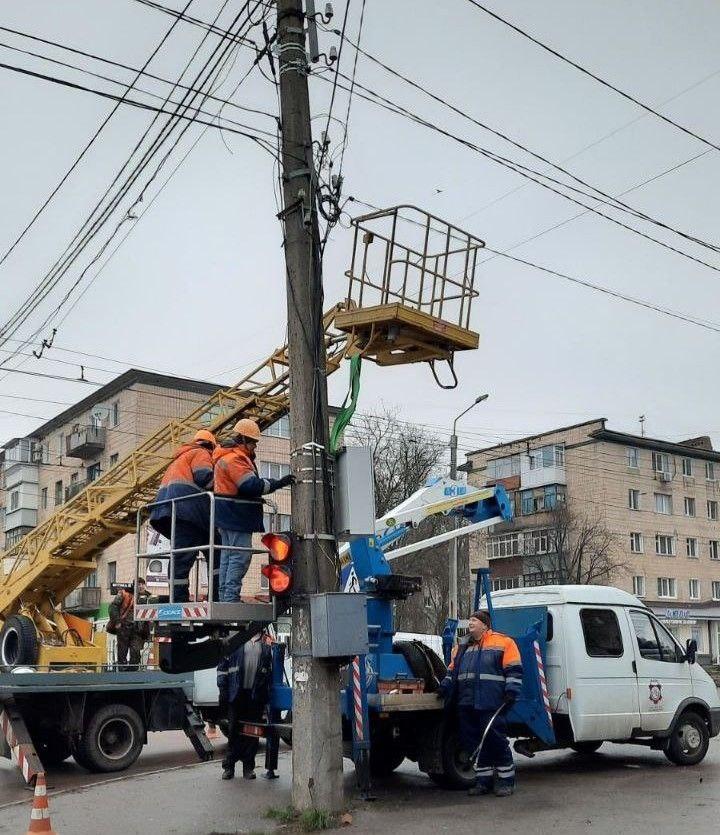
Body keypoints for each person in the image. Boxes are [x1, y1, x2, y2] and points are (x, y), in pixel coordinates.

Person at [439, 610, 523, 797]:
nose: (470, 623)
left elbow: (514, 670)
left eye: (474, 620)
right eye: (470, 620)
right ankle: (483, 782)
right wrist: (444, 685)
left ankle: (506, 781)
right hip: (466, 702)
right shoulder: (462, 646)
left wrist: (511, 691)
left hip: (491, 701)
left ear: (485, 625)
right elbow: (452, 670)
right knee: (474, 742)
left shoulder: (503, 642)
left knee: (495, 740)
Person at [213, 419, 294, 602]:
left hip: (227, 516)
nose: (254, 447)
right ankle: (230, 598)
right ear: (243, 439)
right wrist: (278, 483)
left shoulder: (225, 457)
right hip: (236, 517)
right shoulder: (235, 458)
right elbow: (250, 486)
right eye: (253, 443)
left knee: (228, 557)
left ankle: (226, 597)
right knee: (239, 557)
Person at [149, 429, 217, 603]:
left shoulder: (180, 458)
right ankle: (201, 597)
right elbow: (205, 478)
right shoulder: (201, 453)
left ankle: (177, 598)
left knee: (191, 552)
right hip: (187, 513)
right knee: (195, 554)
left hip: (166, 512)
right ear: (211, 446)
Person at [218, 631, 273, 780]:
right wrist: (223, 690)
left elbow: (268, 673)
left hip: (255, 696)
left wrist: (267, 696)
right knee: (233, 731)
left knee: (253, 734)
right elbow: (222, 667)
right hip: (236, 694)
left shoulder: (265, 646)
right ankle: (229, 767)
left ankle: (248, 768)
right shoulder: (235, 641)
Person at [109, 581, 150, 668]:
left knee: (135, 650)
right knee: (122, 649)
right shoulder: (125, 593)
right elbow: (113, 607)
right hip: (124, 626)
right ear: (134, 585)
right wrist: (117, 622)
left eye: (143, 584)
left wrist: (146, 629)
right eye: (139, 584)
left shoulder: (147, 597)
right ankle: (122, 669)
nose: (141, 586)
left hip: (138, 629)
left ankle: (133, 670)